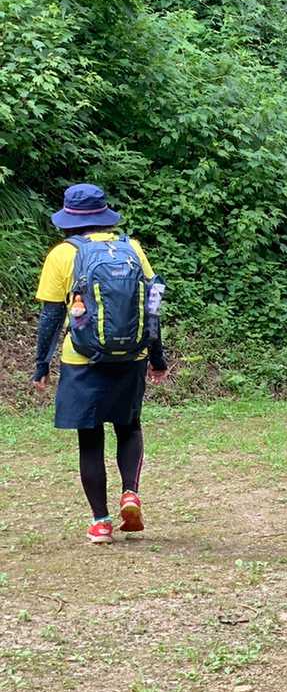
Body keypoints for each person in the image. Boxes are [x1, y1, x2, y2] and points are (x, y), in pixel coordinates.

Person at [31, 184, 169, 544]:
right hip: (131, 357)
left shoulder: (62, 254)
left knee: (90, 439)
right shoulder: (131, 248)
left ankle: (101, 522)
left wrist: (41, 365)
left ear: (69, 219)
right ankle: (130, 494)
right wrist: (157, 358)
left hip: (82, 359)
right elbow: (152, 306)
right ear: (104, 215)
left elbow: (50, 317)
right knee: (129, 427)